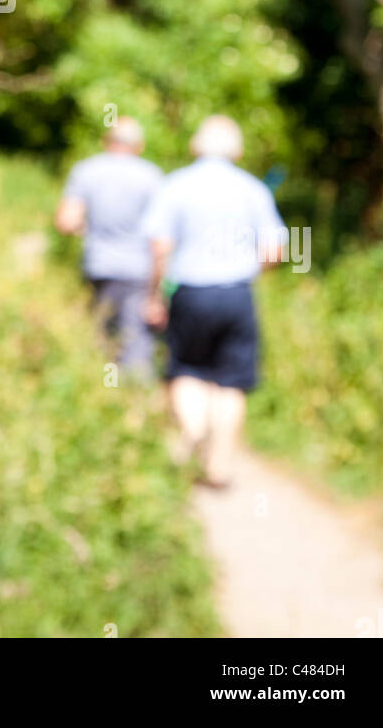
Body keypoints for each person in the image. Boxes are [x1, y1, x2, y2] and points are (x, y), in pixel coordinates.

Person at [141, 115, 286, 488]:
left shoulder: (175, 186)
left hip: (189, 292)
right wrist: (250, 272)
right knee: (232, 381)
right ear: (236, 149)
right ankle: (219, 467)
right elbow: (275, 249)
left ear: (196, 145)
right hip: (237, 292)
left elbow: (160, 246)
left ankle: (192, 428)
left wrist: (154, 294)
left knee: (187, 370)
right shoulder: (254, 189)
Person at [55, 116, 163, 377]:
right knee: (136, 342)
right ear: (139, 146)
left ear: (107, 141)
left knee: (100, 337)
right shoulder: (153, 176)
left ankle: (99, 395)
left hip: (99, 267)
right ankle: (135, 404)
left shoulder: (85, 171)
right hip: (139, 270)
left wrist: (88, 230)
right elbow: (162, 237)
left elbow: (66, 222)